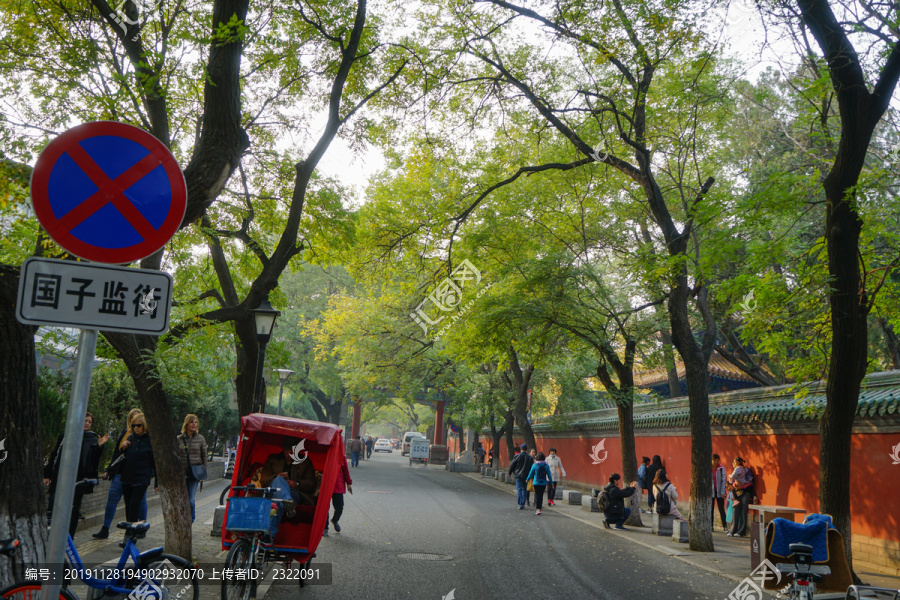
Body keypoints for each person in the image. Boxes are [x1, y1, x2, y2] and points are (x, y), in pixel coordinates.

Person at [44, 411, 109, 537]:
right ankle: (53, 537)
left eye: (90, 422)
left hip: (78, 479)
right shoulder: (66, 435)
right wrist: (47, 474)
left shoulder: (92, 438)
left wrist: (99, 446)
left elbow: (94, 461)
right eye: (85, 420)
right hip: (61, 476)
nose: (87, 424)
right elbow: (55, 454)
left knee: (74, 509)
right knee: (54, 507)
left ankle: (69, 538)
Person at [93, 409, 146, 539]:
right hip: (120, 473)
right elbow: (117, 454)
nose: (136, 424)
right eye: (133, 420)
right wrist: (109, 469)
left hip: (137, 476)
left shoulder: (145, 436)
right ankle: (105, 528)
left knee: (139, 502)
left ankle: (140, 528)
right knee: (112, 500)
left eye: (138, 421)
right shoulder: (124, 433)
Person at [119, 413, 156, 547]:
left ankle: (129, 535)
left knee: (135, 504)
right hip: (127, 477)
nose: (136, 428)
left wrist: (157, 482)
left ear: (144, 426)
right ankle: (131, 532)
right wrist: (123, 447)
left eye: (138, 425)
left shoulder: (150, 440)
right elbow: (122, 457)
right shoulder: (130, 438)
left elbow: (154, 462)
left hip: (141, 478)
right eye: (133, 425)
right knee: (128, 506)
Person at [177, 414, 208, 523]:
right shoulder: (179, 439)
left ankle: (191, 519)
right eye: (191, 422)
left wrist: (204, 472)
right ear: (186, 424)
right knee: (181, 499)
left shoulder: (200, 439)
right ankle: (182, 519)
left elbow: (205, 456)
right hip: (182, 473)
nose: (194, 424)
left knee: (190, 500)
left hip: (195, 473)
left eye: (195, 422)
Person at [281, 437, 321, 506]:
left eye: (292, 450)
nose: (289, 452)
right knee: (278, 481)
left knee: (289, 494)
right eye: (287, 449)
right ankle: (287, 504)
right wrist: (276, 478)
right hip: (275, 490)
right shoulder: (273, 460)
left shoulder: (305, 462)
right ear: (283, 449)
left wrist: (297, 483)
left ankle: (288, 503)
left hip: (295, 492)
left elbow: (311, 483)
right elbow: (264, 480)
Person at [324, 445, 352, 537]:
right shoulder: (325, 454)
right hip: (326, 485)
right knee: (324, 508)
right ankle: (325, 528)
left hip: (338, 486)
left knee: (339, 507)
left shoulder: (342, 457)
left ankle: (335, 520)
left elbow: (345, 471)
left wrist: (348, 483)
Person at [727, 457, 754, 537]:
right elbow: (733, 481)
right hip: (737, 493)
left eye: (734, 462)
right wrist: (735, 485)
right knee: (735, 510)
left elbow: (750, 482)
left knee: (743, 512)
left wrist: (741, 486)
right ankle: (732, 530)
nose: (733, 464)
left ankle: (741, 531)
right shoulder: (736, 470)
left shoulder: (747, 471)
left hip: (745, 493)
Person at [507, 443, 534, 510]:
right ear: (527, 449)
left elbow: (512, 465)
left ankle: (519, 504)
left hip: (518, 475)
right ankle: (523, 503)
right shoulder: (530, 457)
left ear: (521, 449)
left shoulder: (517, 456)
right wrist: (532, 476)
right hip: (526, 475)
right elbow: (532, 467)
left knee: (519, 489)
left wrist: (509, 472)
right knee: (524, 489)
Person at [712, 454, 728, 531]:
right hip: (710, 491)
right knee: (710, 509)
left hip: (719, 491)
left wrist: (723, 492)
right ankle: (710, 526)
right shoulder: (708, 469)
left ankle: (724, 526)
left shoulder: (721, 469)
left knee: (721, 508)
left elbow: (723, 481)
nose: (716, 462)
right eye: (714, 460)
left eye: (717, 460)